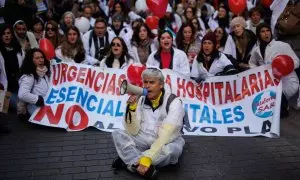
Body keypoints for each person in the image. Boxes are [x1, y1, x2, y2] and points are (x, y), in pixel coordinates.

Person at [112, 67, 185, 179]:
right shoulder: (140, 99)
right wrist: (131, 108)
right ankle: (137, 164)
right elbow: (132, 129)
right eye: (145, 82)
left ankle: (130, 162)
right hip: (145, 136)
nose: (146, 86)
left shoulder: (174, 102)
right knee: (118, 133)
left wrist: (148, 157)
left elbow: (166, 135)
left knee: (174, 151)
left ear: (161, 85)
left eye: (151, 82)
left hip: (165, 140)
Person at [249, 23, 300, 118]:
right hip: (268, 83)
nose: (266, 33)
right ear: (258, 35)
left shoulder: (282, 45)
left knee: (280, 112)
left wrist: (285, 67)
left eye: (267, 31)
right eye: (262, 32)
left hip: (287, 81)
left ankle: (283, 105)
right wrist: (257, 71)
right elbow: (251, 62)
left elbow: (296, 61)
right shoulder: (256, 50)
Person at [0, 24, 25, 110]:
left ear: (12, 35)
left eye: (8, 33)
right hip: (7, 89)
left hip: (21, 86)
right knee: (19, 108)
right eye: (4, 34)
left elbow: (24, 66)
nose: (6, 35)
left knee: (28, 105)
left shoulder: (19, 49)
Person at [18, 48, 50, 115]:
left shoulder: (45, 72)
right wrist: (37, 99)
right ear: (31, 61)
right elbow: (22, 94)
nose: (41, 60)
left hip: (46, 110)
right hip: (36, 112)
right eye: (37, 58)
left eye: (42, 57)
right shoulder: (28, 76)